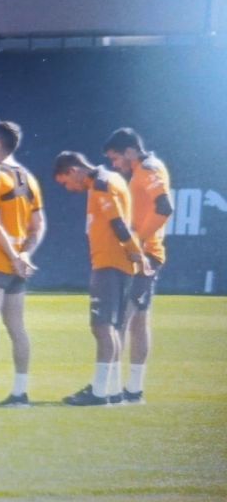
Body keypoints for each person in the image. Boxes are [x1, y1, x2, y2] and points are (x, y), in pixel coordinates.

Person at [53, 151, 149, 406]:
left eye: (65, 182)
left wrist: (137, 254)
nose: (69, 188)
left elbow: (118, 223)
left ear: (74, 170)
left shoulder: (101, 184)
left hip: (109, 264)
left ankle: (98, 392)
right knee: (113, 328)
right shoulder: (113, 179)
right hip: (118, 264)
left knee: (102, 327)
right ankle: (112, 389)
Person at [103, 128, 172, 404]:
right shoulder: (146, 169)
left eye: (116, 158)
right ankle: (133, 390)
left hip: (144, 255)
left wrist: (138, 241)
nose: (114, 165)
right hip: (147, 254)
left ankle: (109, 388)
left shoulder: (148, 169)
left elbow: (165, 207)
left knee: (121, 320)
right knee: (139, 322)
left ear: (130, 151)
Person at [0, 121, 46, 407]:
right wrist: (26, 254)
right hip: (17, 266)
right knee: (16, 327)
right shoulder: (26, 177)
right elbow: (38, 224)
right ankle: (20, 391)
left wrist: (14, 256)